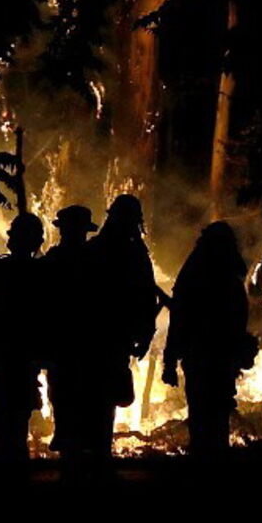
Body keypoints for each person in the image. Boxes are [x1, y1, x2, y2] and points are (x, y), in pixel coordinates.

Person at [162, 221, 251, 455]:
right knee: (213, 416)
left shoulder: (196, 275)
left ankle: (205, 462)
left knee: (205, 415)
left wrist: (170, 362)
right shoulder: (227, 277)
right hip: (213, 358)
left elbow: (179, 319)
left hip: (206, 357)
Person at [82, 195, 158, 458]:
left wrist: (145, 333)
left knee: (97, 400)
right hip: (106, 338)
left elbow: (147, 298)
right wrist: (145, 334)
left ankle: (91, 456)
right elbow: (147, 298)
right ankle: (96, 456)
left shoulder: (98, 249)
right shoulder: (133, 253)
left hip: (102, 339)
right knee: (101, 402)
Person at [0, 213, 45, 460]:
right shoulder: (42, 275)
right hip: (20, 359)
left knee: (1, 423)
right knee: (14, 426)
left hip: (5, 358)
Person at [39, 205, 98, 456]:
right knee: (76, 395)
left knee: (66, 395)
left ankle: (69, 440)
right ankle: (75, 442)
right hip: (78, 344)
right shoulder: (96, 262)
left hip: (69, 344)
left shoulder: (52, 262)